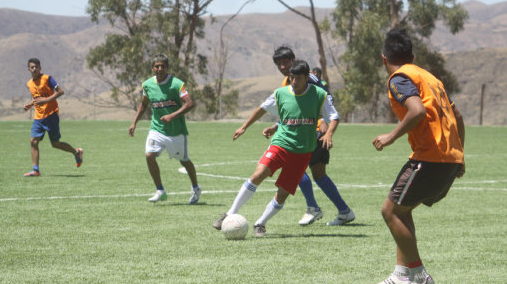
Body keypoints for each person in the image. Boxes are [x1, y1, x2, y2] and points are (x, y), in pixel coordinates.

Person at [367, 29, 465, 284]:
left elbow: (417, 111)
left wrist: (390, 136)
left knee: (390, 211)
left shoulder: (399, 78)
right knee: (402, 209)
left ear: (384, 57)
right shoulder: (431, 78)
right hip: (447, 158)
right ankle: (401, 274)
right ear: (412, 56)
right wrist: (460, 156)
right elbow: (457, 115)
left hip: (429, 157)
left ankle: (419, 276)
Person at [212, 60, 340, 237]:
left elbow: (334, 116)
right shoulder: (280, 93)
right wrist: (244, 126)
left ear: (306, 78)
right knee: (258, 174)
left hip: (302, 152)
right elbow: (262, 109)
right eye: (291, 78)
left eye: (298, 78)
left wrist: (329, 134)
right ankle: (229, 214)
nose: (294, 82)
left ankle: (260, 224)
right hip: (280, 144)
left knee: (282, 194)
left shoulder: (319, 95)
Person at [263, 46, 355, 226]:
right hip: (307, 131)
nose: (282, 67)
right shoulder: (289, 82)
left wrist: (327, 129)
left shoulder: (308, 77)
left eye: (286, 62)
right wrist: (276, 126)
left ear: (293, 59)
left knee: (298, 169)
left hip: (315, 132)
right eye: (279, 64)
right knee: (317, 174)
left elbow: (326, 99)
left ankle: (315, 208)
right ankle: (343, 211)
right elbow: (295, 112)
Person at [129, 54, 202, 204]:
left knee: (184, 161)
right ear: (152, 68)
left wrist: (172, 116)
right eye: (157, 66)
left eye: (162, 66)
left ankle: (196, 187)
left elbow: (189, 103)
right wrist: (134, 122)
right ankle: (160, 190)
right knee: (149, 155)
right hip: (157, 129)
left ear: (167, 68)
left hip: (176, 131)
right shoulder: (147, 85)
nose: (159, 69)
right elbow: (143, 104)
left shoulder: (177, 84)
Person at [23, 58, 83, 177]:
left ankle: (76, 152)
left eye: (36, 67)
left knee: (55, 143)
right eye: (32, 67)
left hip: (51, 115)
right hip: (38, 117)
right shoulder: (29, 84)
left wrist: (46, 100)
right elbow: (37, 98)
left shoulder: (48, 79)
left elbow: (60, 91)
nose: (34, 69)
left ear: (40, 68)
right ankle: (36, 170)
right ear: (28, 69)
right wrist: (30, 105)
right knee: (33, 141)